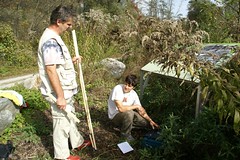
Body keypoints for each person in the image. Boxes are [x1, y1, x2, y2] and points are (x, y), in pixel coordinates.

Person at [38, 5, 90, 160]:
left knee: (70, 116)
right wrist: (60, 96)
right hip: (60, 91)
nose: (70, 27)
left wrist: (71, 61)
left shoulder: (53, 38)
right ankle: (62, 156)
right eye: (68, 24)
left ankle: (77, 142)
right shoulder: (50, 41)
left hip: (66, 89)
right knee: (61, 122)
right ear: (59, 21)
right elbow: (51, 70)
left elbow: (57, 64)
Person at [108, 74, 159, 141]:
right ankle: (125, 135)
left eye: (129, 86)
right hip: (115, 116)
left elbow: (140, 110)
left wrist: (150, 120)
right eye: (126, 84)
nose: (126, 87)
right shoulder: (118, 89)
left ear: (133, 87)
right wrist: (135, 106)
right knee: (130, 113)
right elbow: (121, 109)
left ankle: (124, 126)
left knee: (145, 123)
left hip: (127, 115)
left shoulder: (134, 94)